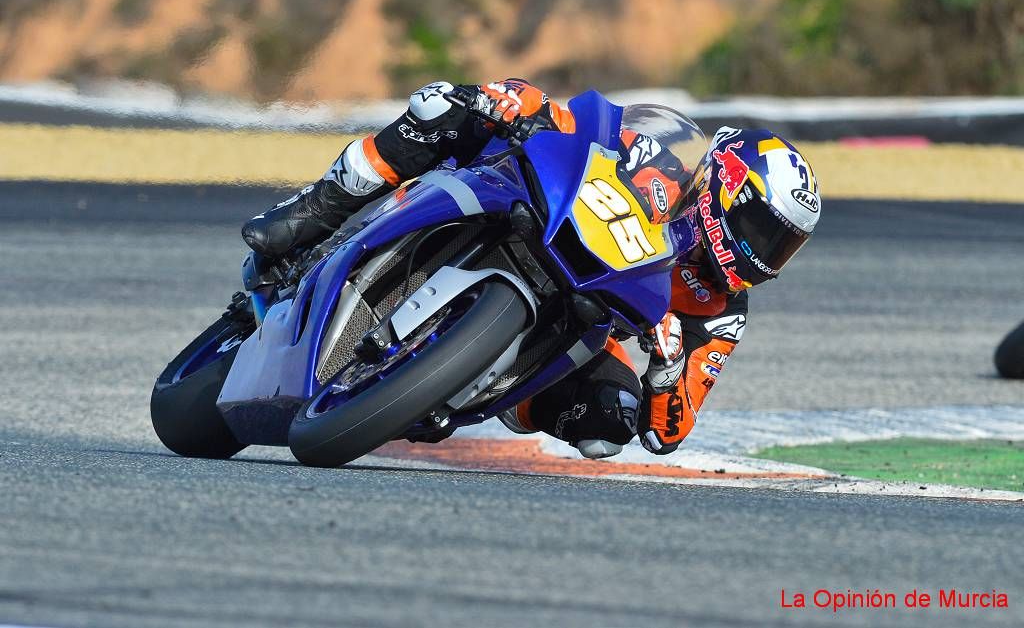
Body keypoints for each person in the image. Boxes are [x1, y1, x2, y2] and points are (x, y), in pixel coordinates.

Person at [242, 79, 821, 458]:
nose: (765, 256)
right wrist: (521, 102)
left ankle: (481, 386)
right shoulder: (659, 160)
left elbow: (668, 431)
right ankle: (314, 210)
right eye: (764, 233)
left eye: (783, 247)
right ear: (726, 185)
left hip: (584, 317)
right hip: (538, 212)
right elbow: (579, 120)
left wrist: (667, 368)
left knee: (610, 425)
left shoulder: (722, 308)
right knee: (443, 107)